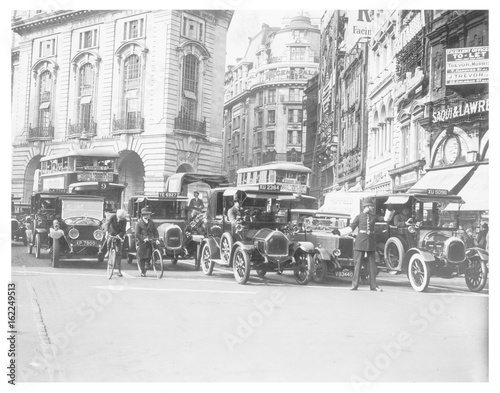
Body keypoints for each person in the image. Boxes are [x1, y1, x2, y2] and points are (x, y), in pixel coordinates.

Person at [339, 197, 392, 292]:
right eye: (371, 206)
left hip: (371, 242)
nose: (372, 208)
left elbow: (385, 218)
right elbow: (351, 228)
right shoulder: (359, 217)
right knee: (357, 264)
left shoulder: (374, 216)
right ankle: (354, 285)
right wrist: (339, 232)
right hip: (360, 242)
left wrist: (389, 209)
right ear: (366, 207)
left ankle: (374, 286)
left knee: (372, 265)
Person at [135, 207, 159, 277]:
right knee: (142, 256)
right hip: (142, 242)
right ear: (142, 216)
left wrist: (157, 239)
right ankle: (143, 271)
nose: (147, 216)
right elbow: (137, 234)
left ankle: (155, 260)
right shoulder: (139, 223)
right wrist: (143, 239)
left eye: (148, 215)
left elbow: (155, 231)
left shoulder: (151, 222)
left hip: (151, 240)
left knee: (157, 248)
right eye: (145, 215)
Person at [104, 209, 128, 277]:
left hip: (119, 234)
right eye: (119, 218)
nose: (120, 220)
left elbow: (123, 230)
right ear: (117, 215)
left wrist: (119, 235)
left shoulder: (124, 221)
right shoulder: (113, 217)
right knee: (109, 240)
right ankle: (108, 251)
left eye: (121, 218)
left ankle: (119, 270)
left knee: (119, 253)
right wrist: (106, 233)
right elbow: (108, 225)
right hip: (112, 232)